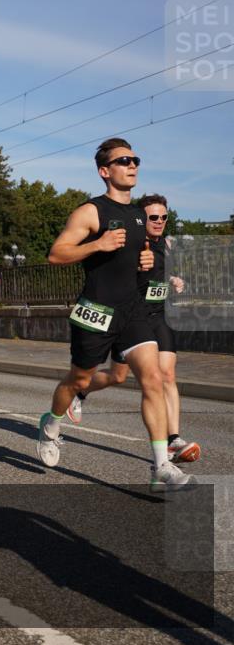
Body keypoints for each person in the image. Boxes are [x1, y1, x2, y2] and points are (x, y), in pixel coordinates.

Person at [38, 138, 191, 492]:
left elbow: (135, 262)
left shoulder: (139, 215)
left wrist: (145, 262)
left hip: (132, 312)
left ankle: (160, 466)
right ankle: (51, 423)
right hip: (96, 311)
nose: (132, 165)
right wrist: (98, 244)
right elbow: (56, 254)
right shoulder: (91, 212)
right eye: (123, 161)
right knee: (78, 381)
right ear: (104, 171)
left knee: (152, 379)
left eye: (135, 159)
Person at [65, 194, 200, 463]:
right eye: (153, 217)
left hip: (159, 316)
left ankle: (173, 440)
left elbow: (157, 273)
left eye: (164, 217)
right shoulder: (131, 243)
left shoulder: (167, 244)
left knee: (167, 375)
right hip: (133, 317)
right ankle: (80, 391)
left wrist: (173, 279)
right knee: (117, 376)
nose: (159, 221)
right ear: (141, 219)